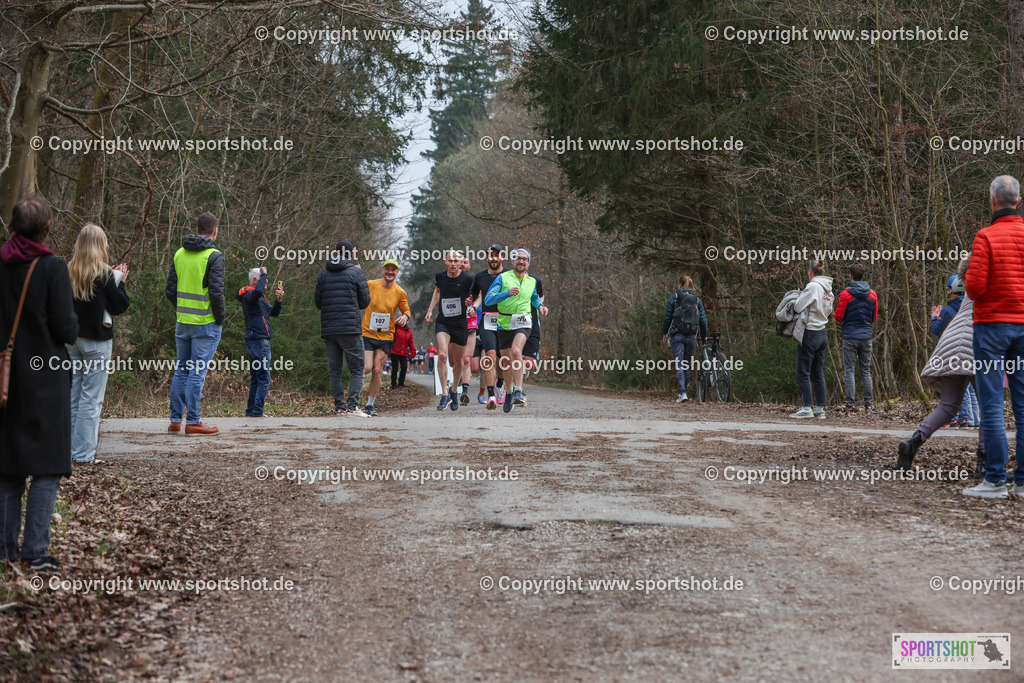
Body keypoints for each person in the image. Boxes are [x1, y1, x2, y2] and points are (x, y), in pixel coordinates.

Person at [0, 195, 78, 571]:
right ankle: (35, 552)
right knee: (47, 466)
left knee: (8, 466)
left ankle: (4, 550)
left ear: (14, 226)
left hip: (5, 379)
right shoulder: (52, 268)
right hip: (45, 377)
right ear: (48, 227)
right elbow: (65, 329)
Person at [962, 175, 1024, 499]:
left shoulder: (985, 237)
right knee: (1023, 405)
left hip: (991, 328)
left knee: (992, 404)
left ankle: (996, 479)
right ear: (1018, 201)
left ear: (992, 201)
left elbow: (973, 287)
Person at [898, 260, 985, 475]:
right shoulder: (988, 289)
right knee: (989, 408)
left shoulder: (968, 294)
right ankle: (984, 458)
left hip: (950, 345)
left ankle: (913, 442)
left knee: (947, 406)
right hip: (976, 346)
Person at [67, 223, 130, 463]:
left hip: (72, 341)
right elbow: (119, 306)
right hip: (96, 342)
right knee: (91, 400)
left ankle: (70, 452)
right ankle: (83, 455)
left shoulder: (67, 270)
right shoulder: (103, 274)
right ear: (100, 245)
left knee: (73, 397)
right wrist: (120, 282)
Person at [165, 211, 225, 436]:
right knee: (196, 372)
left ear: (197, 229)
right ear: (215, 232)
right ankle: (193, 421)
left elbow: (170, 290)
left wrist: (181, 309)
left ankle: (174, 421)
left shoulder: (180, 253)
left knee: (182, 369)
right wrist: (219, 318)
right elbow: (217, 294)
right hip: (205, 323)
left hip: (183, 322)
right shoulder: (214, 256)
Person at [485, 248, 548, 413]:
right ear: (513, 261)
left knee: (516, 350)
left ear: (528, 263)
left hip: (523, 321)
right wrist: (506, 294)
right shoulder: (502, 278)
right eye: (518, 258)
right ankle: (509, 392)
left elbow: (534, 297)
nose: (521, 261)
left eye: (525, 259)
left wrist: (540, 306)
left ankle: (519, 390)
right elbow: (488, 298)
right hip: (504, 323)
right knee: (505, 362)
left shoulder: (531, 281)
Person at [315, 239, 370, 416]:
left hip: (329, 329)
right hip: (350, 329)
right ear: (352, 254)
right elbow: (365, 301)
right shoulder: (356, 272)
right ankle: (352, 407)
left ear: (336, 253)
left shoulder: (323, 274)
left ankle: (339, 407)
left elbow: (318, 302)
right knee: (356, 369)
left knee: (335, 370)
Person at [425, 250, 474, 411]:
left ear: (460, 263)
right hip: (444, 321)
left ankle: (454, 391)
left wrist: (470, 305)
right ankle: (444, 394)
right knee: (443, 355)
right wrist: (430, 309)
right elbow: (437, 291)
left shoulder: (467, 279)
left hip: (460, 323)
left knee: (459, 362)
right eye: (450, 261)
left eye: (456, 261)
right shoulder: (440, 276)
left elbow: (473, 297)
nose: (453, 264)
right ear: (445, 262)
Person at [361, 258, 411, 416]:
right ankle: (353, 399)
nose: (390, 272)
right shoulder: (371, 285)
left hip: (386, 336)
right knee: (366, 368)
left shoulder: (399, 292)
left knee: (377, 369)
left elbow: (406, 310)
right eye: (387, 269)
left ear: (397, 272)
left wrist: (405, 317)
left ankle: (370, 404)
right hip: (367, 333)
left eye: (393, 270)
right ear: (382, 270)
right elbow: (356, 292)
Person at [789, 260, 834, 419]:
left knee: (803, 371)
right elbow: (828, 310)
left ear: (810, 272)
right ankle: (820, 408)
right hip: (822, 332)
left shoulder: (813, 287)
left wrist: (798, 296)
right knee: (818, 371)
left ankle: (807, 407)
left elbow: (797, 307)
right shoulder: (828, 289)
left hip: (810, 332)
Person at [931, 276, 977, 429]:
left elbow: (937, 330)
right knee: (970, 387)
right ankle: (973, 418)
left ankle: (959, 418)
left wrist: (935, 318)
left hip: (953, 352)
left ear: (952, 289)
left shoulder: (948, 311)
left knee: (956, 386)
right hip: (972, 350)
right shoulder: (972, 307)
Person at [238, 267, 283, 418]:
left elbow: (274, 313)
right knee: (263, 379)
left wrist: (278, 300)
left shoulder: (260, 298)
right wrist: (264, 273)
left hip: (256, 341)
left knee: (257, 378)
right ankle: (257, 412)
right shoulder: (250, 294)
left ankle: (251, 411)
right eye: (263, 279)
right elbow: (256, 292)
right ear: (255, 280)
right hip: (258, 342)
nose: (267, 282)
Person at [834, 263, 878, 413]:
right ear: (863, 277)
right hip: (866, 336)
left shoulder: (845, 294)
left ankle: (850, 404)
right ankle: (869, 406)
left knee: (849, 370)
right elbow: (874, 317)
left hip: (850, 336)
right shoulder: (873, 294)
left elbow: (838, 317)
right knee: (865, 371)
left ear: (851, 277)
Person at [662, 275, 709, 403]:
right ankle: (684, 392)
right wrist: (704, 335)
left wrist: (664, 333)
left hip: (678, 335)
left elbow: (667, 318)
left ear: (679, 284)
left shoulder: (674, 298)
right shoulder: (696, 300)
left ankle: (682, 393)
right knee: (686, 364)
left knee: (679, 365)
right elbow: (703, 320)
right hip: (691, 336)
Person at [472, 245, 506, 409]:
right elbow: (477, 297)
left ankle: (500, 382)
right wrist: (471, 305)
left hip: (506, 321)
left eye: (496, 255)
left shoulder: (509, 275)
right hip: (486, 320)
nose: (493, 258)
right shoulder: (479, 277)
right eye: (490, 255)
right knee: (490, 356)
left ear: (502, 257)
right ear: (487, 258)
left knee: (501, 360)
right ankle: (491, 395)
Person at [460, 255, 477, 404]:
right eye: (460, 262)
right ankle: (452, 386)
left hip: (471, 322)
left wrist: (474, 308)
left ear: (469, 265)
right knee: (455, 361)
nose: (462, 265)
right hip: (453, 324)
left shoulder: (474, 281)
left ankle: (464, 392)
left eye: (465, 262)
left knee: (467, 359)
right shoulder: (449, 280)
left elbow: (481, 297)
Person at [391, 320, 415, 388]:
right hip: (395, 351)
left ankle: (401, 383)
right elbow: (391, 327)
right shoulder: (395, 327)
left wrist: (413, 350)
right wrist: (396, 322)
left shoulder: (409, 331)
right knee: (395, 368)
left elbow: (411, 342)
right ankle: (393, 384)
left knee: (404, 367)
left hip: (404, 352)